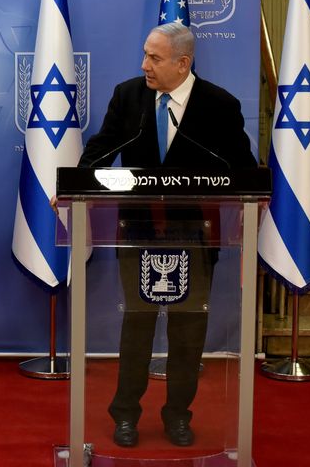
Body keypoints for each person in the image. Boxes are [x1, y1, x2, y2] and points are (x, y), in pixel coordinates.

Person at [79, 22, 256, 447]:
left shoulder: (219, 105)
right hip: (136, 231)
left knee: (187, 330)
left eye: (154, 58)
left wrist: (252, 197)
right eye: (144, 55)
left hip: (195, 233)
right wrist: (73, 187)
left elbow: (243, 170)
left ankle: (178, 414)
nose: (144, 65)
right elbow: (101, 148)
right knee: (137, 327)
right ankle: (126, 415)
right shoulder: (129, 96)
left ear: (183, 63)